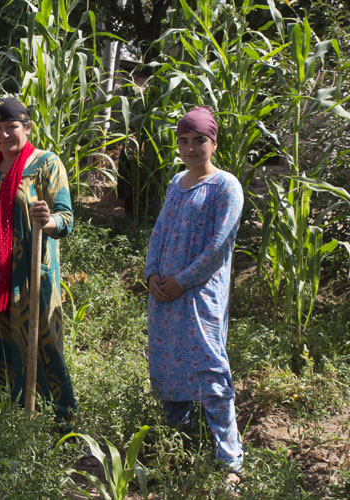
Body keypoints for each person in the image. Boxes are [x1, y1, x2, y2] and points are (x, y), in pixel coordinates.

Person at [144, 106, 244, 479]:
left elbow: (219, 245)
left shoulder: (225, 186)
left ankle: (229, 462)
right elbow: (159, 232)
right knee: (168, 365)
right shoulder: (176, 183)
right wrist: (152, 274)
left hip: (199, 294)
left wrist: (182, 281)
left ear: (213, 142)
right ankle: (180, 449)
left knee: (209, 369)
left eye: (198, 140)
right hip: (164, 295)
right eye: (183, 140)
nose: (190, 148)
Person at [0, 97, 77, 419]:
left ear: (27, 127)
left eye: (11, 127)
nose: (3, 135)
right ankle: (2, 416)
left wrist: (48, 220)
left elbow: (66, 218)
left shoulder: (46, 164)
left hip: (30, 278)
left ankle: (56, 419)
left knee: (42, 344)